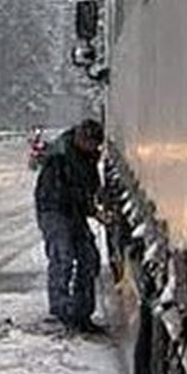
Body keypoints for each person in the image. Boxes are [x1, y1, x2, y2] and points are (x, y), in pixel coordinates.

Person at [34, 119, 106, 334]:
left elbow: (91, 187)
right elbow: (61, 192)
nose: (94, 148)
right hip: (54, 211)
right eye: (91, 143)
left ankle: (82, 312)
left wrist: (95, 206)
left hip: (73, 213)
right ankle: (60, 311)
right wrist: (91, 210)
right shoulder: (60, 157)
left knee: (89, 258)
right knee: (63, 257)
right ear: (81, 139)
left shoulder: (87, 157)